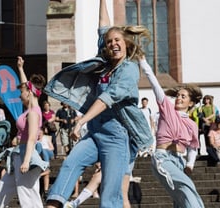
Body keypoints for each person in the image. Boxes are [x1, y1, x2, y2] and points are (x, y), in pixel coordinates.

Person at [45, 0, 153, 207]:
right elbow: (103, 26)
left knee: (110, 193)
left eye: (117, 40)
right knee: (70, 163)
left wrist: (81, 121)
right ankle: (53, 204)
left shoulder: (129, 69)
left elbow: (107, 98)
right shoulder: (104, 66)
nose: (113, 43)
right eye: (110, 41)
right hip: (96, 133)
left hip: (116, 137)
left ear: (127, 43)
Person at [0, 56, 47, 208]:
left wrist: (26, 161)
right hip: (18, 154)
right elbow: (25, 85)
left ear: (29, 92)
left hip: (26, 156)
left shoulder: (33, 113)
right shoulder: (30, 109)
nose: (19, 95)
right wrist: (20, 68)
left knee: (28, 197)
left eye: (22, 92)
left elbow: (31, 138)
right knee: (0, 193)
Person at [139, 56, 205, 207]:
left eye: (183, 96)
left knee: (182, 197)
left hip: (179, 160)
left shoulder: (192, 124)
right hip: (163, 158)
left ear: (192, 102)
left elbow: (193, 147)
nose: (179, 98)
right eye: (178, 96)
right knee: (187, 187)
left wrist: (190, 165)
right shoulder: (167, 109)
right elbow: (155, 85)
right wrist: (143, 63)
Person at [36, 128, 55, 198]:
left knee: (43, 150)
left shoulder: (46, 138)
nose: (39, 133)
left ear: (42, 132)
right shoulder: (35, 141)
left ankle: (46, 164)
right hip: (41, 157)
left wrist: (45, 149)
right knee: (46, 174)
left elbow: (52, 148)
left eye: (40, 132)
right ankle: (46, 191)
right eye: (38, 132)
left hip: (49, 153)